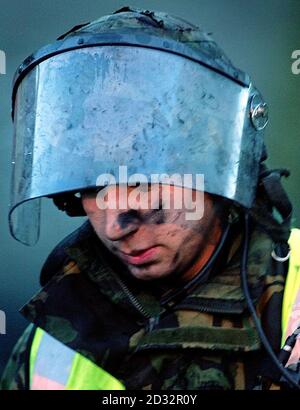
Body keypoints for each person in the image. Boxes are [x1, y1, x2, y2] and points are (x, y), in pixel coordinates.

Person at [1, 7, 299, 390]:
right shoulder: (53, 339)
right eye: (92, 187)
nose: (114, 226)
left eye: (141, 181)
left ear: (215, 162)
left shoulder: (292, 294)